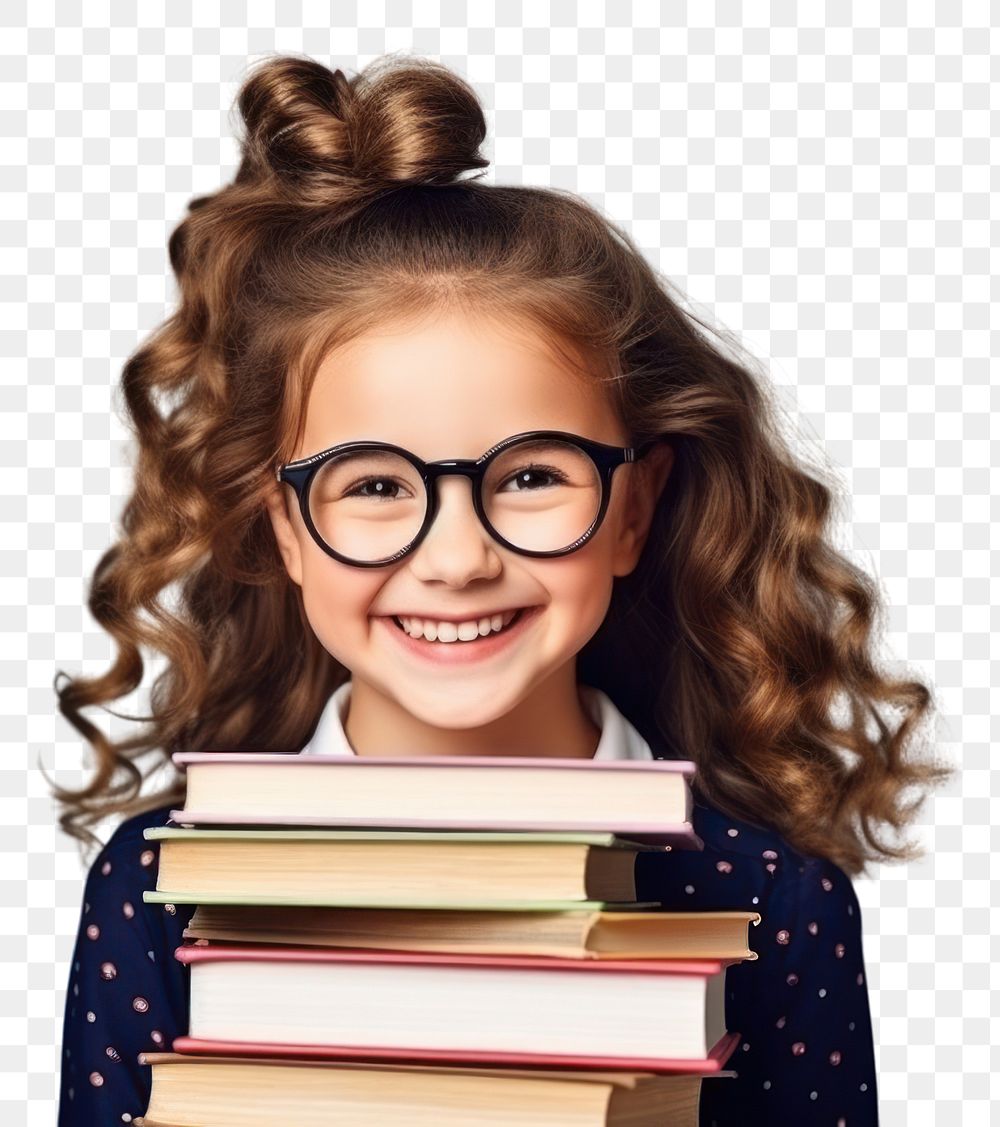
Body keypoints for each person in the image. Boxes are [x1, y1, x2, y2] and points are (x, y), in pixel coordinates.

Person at [52, 53, 951, 1126]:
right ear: (283, 524)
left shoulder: (770, 896)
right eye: (375, 484)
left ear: (631, 510)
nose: (457, 554)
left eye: (529, 476)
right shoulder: (160, 884)